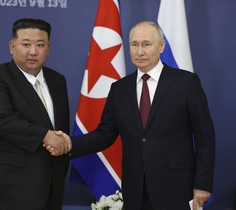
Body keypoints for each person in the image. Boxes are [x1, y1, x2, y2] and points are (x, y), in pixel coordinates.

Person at [47, 21, 215, 210]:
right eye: (134, 44)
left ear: (161, 46)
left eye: (146, 44)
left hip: (176, 187)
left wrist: (202, 184)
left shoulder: (186, 83)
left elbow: (205, 138)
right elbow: (105, 134)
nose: (139, 51)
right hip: (135, 189)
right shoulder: (119, 88)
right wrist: (70, 143)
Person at [0, 18, 71, 210]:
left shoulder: (57, 80)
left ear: (49, 48)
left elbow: (59, 127)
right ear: (12, 46)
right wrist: (46, 136)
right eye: (26, 44)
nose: (33, 51)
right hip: (10, 187)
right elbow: (1, 119)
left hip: (52, 184)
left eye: (40, 45)